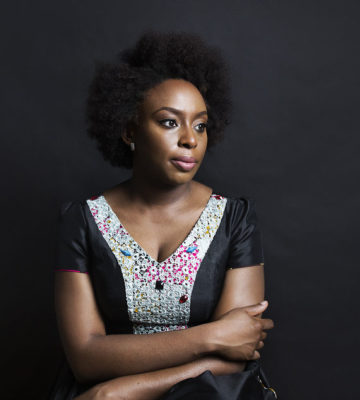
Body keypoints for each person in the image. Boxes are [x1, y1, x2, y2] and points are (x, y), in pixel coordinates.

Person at [49, 30, 274, 400]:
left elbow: (237, 355)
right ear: (130, 130)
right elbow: (85, 358)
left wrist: (122, 391)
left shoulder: (235, 219)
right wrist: (211, 336)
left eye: (200, 125)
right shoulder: (83, 221)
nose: (190, 139)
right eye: (170, 122)